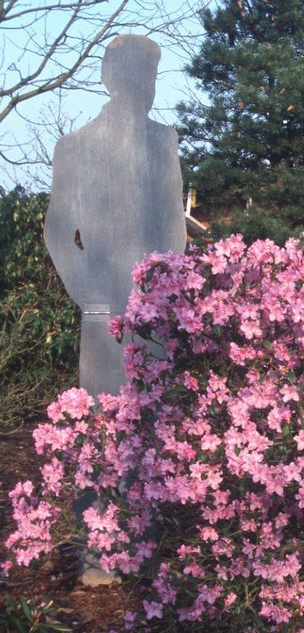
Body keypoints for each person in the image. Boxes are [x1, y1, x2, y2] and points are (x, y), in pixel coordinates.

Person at [45, 34, 187, 398]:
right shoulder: (74, 147)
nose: (146, 84)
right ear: (108, 76)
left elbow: (174, 227)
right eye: (136, 72)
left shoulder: (162, 141)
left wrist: (160, 292)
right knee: (100, 422)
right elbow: (58, 233)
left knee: (155, 423)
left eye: (151, 73)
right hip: (99, 310)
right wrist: (90, 295)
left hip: (153, 309)